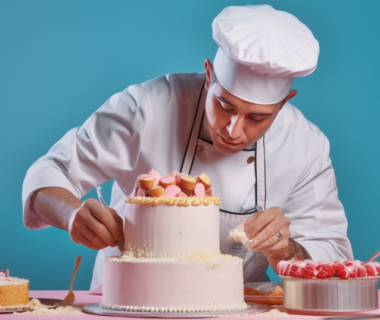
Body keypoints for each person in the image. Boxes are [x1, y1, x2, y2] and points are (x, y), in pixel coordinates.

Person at [22, 4, 353, 290]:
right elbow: (49, 171)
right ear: (208, 75)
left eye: (257, 117)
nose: (235, 131)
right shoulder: (147, 107)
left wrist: (286, 251)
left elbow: (334, 255)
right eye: (225, 106)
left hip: (240, 305)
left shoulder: (306, 144)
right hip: (129, 299)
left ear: (283, 104)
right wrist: (72, 213)